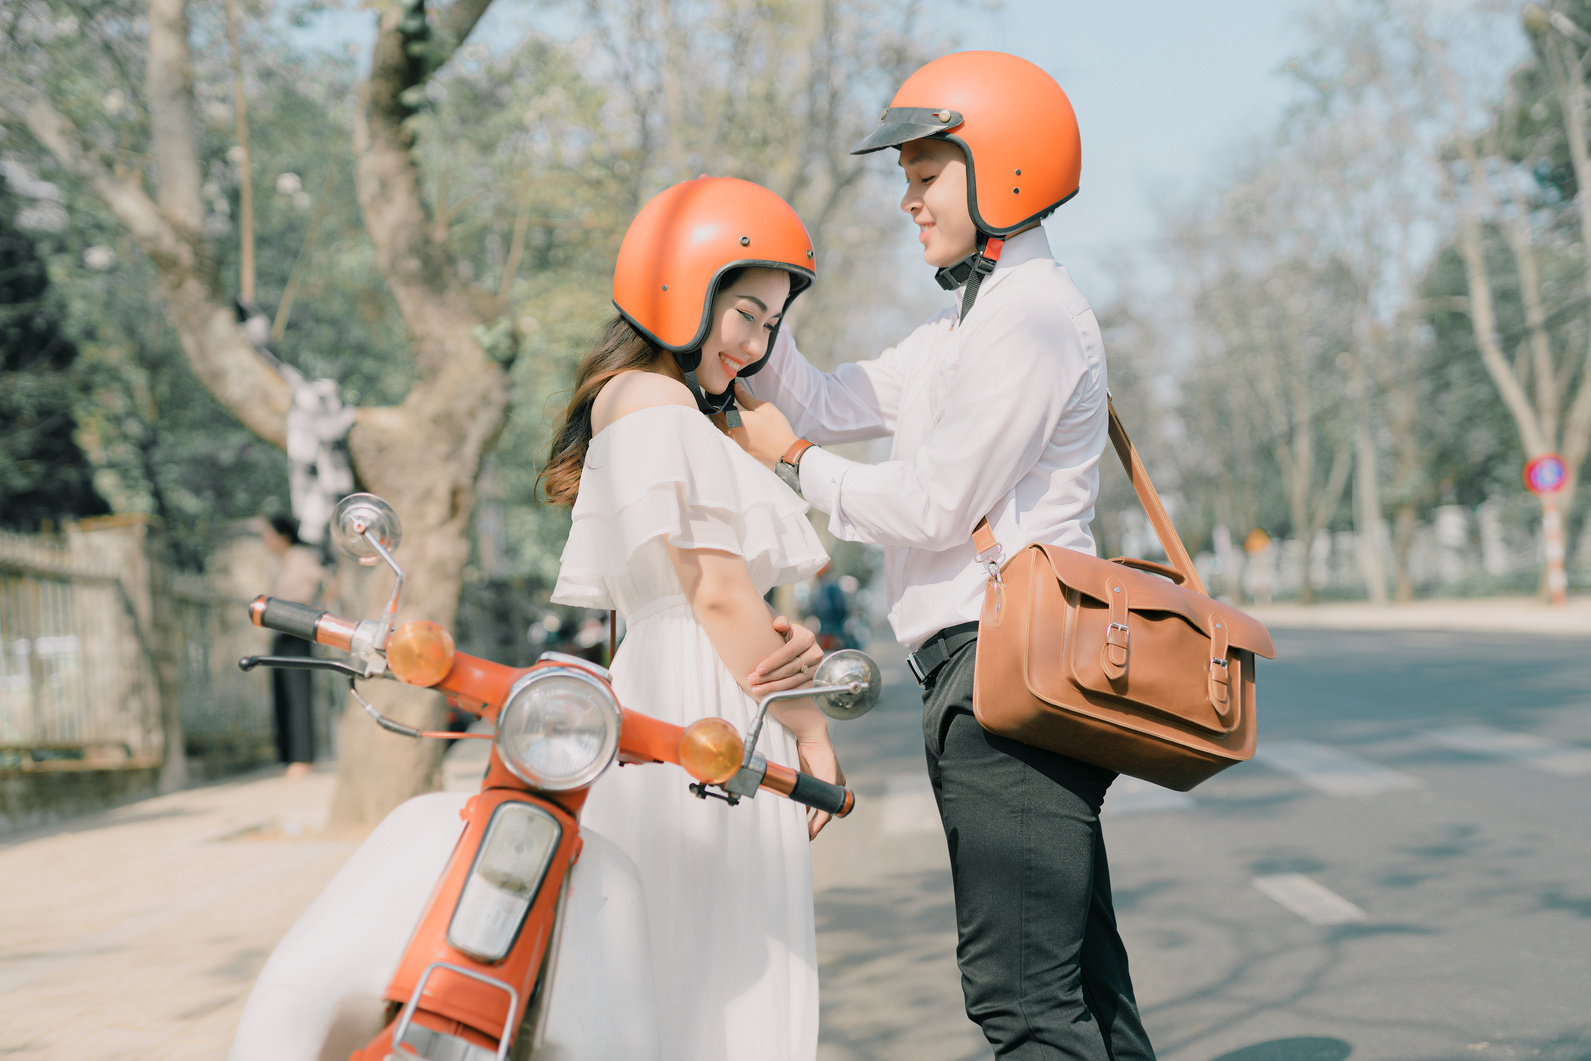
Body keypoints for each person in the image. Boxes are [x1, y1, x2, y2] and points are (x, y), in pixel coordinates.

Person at [734, 52, 1157, 1061]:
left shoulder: (1031, 318)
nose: (906, 201)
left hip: (1012, 676)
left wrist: (791, 461)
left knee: (1022, 998)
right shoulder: (968, 319)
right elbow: (833, 400)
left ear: (1000, 168)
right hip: (983, 675)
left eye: (924, 176)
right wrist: (766, 295)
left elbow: (928, 504)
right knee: (1082, 986)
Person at [541, 176, 836, 1061]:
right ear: (679, 289)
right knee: (726, 952)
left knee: (671, 947)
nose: (755, 344)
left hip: (672, 691)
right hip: (713, 702)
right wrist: (811, 730)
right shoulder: (659, 405)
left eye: (771, 325)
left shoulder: (640, 403)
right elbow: (719, 594)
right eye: (744, 313)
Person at [260, 515, 327, 777]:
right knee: (282, 692)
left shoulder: (301, 557)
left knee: (298, 694)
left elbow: (328, 580)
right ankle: (288, 757)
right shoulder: (280, 561)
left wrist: (317, 610)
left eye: (268, 534)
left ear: (282, 535)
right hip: (280, 628)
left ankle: (302, 758)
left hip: (299, 627)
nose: (265, 540)